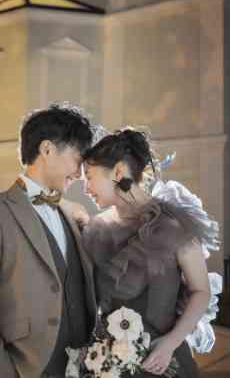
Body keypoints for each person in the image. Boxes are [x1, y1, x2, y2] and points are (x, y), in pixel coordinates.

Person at [0, 104, 97, 378]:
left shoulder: (73, 213)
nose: (80, 173)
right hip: (28, 368)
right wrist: (3, 373)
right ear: (47, 149)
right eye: (77, 158)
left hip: (86, 367)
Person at [79, 128, 212, 377]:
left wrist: (171, 342)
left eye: (88, 176)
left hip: (164, 362)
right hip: (109, 366)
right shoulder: (96, 230)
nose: (85, 187)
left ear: (118, 172)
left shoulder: (173, 224)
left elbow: (201, 291)